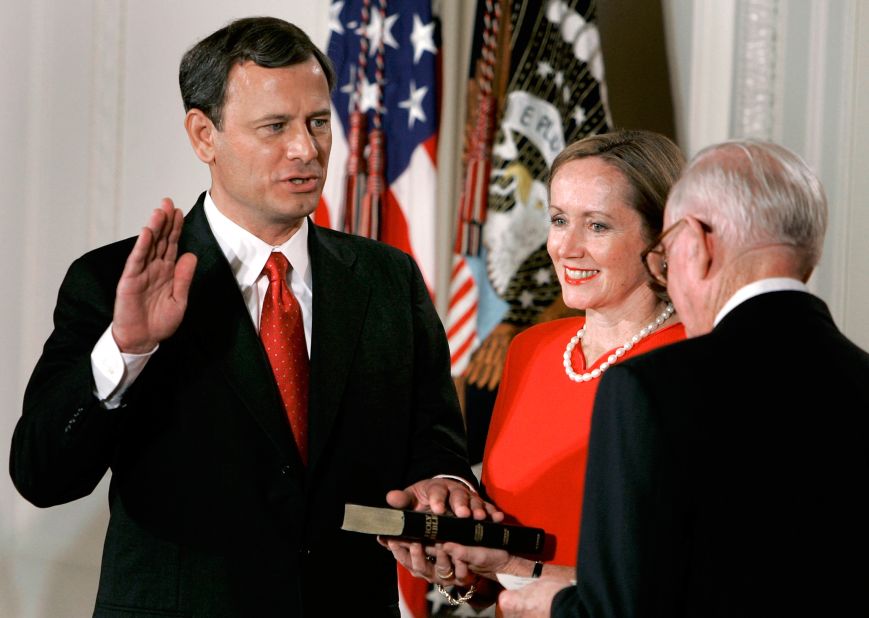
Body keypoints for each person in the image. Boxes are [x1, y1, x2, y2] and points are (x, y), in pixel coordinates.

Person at [9, 16, 498, 617]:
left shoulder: (388, 279)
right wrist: (127, 348)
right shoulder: (112, 283)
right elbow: (41, 475)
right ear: (203, 135)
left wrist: (445, 481)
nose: (306, 149)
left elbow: (435, 445)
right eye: (275, 127)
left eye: (318, 122)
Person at [500, 139, 869, 617]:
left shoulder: (654, 383)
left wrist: (553, 600)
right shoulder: (857, 378)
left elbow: (629, 604)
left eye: (596, 224)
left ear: (689, 240)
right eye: (558, 219)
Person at [384, 130, 686, 609]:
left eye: (598, 226)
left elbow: (688, 577)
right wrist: (458, 568)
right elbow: (495, 576)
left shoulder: (693, 362)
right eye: (560, 220)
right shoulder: (531, 350)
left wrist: (519, 571)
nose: (567, 247)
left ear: (661, 237)